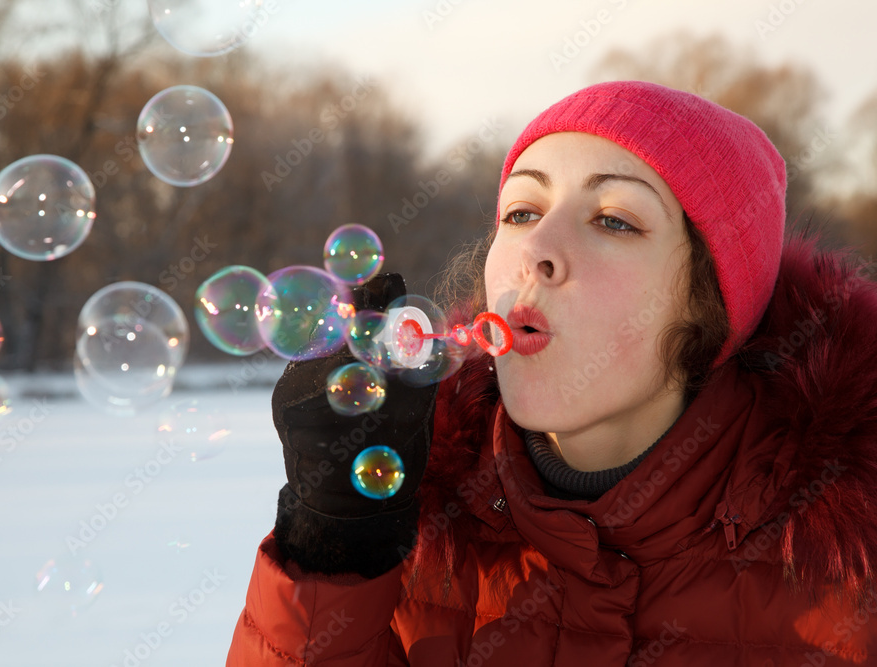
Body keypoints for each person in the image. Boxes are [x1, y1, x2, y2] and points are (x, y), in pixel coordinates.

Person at [227, 80, 877, 665]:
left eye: (613, 219)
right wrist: (332, 546)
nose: (536, 250)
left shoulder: (854, 565)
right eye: (522, 212)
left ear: (711, 305)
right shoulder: (423, 527)